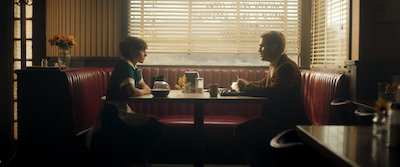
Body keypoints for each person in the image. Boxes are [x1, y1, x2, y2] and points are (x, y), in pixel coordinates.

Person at [234, 31, 310, 166]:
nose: (259, 50)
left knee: (245, 140)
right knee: (239, 131)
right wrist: (246, 84)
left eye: (262, 46)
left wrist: (247, 87)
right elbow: (264, 83)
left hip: (286, 123)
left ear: (274, 47)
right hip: (274, 120)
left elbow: (274, 91)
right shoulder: (276, 65)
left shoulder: (286, 67)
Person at [101, 37, 167, 166]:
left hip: (121, 113)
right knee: (158, 128)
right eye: (143, 50)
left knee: (156, 126)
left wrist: (144, 91)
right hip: (114, 116)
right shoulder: (124, 67)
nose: (146, 54)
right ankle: (140, 162)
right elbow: (133, 91)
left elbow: (145, 87)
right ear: (132, 51)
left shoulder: (133, 67)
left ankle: (138, 161)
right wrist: (145, 91)